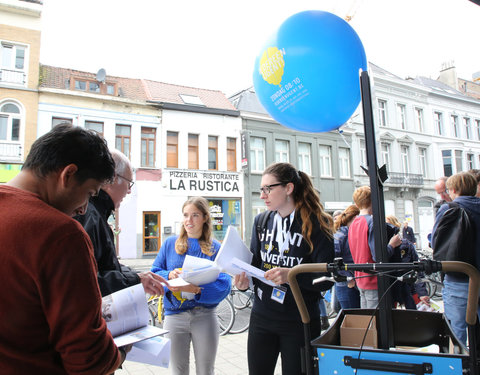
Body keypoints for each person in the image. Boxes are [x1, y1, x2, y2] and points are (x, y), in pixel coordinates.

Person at [0, 124, 126, 373]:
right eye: (89, 193)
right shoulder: (60, 234)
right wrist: (117, 356)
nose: (83, 209)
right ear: (68, 174)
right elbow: (86, 354)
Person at [234, 162, 334, 375]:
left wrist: (292, 276)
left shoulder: (317, 223)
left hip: (300, 318)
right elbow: (256, 267)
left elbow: (327, 278)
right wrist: (244, 283)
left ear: (289, 188)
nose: (263, 195)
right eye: (262, 189)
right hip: (262, 315)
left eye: (268, 189)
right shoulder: (261, 221)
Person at [151, 197, 231, 375]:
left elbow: (225, 284)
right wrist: (169, 276)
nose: (189, 220)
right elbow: (155, 272)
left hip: (205, 316)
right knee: (177, 371)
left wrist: (195, 290)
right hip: (174, 317)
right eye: (186, 215)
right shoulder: (170, 244)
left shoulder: (216, 248)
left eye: (195, 215)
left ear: (205, 218)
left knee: (205, 370)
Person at [75, 149, 166, 297]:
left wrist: (135, 276)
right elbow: (83, 279)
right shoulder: (89, 214)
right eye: (129, 183)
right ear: (112, 179)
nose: (129, 191)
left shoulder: (96, 212)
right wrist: (134, 279)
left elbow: (106, 267)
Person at [432, 172, 480, 345]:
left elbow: (436, 242)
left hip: (458, 279)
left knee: (456, 332)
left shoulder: (449, 209)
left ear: (453, 189)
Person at [348, 186, 401, 309]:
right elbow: (378, 256)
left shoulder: (353, 224)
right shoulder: (372, 222)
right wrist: (391, 245)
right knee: (376, 321)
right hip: (373, 280)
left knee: (368, 321)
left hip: (360, 278)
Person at [386, 215, 430, 310]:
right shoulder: (385, 248)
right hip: (390, 290)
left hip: (408, 288)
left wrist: (422, 293)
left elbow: (417, 270)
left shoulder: (406, 246)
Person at [333, 204, 361, 309]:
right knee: (352, 316)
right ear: (355, 218)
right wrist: (349, 277)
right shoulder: (344, 234)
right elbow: (335, 258)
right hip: (348, 280)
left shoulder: (341, 233)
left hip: (348, 279)